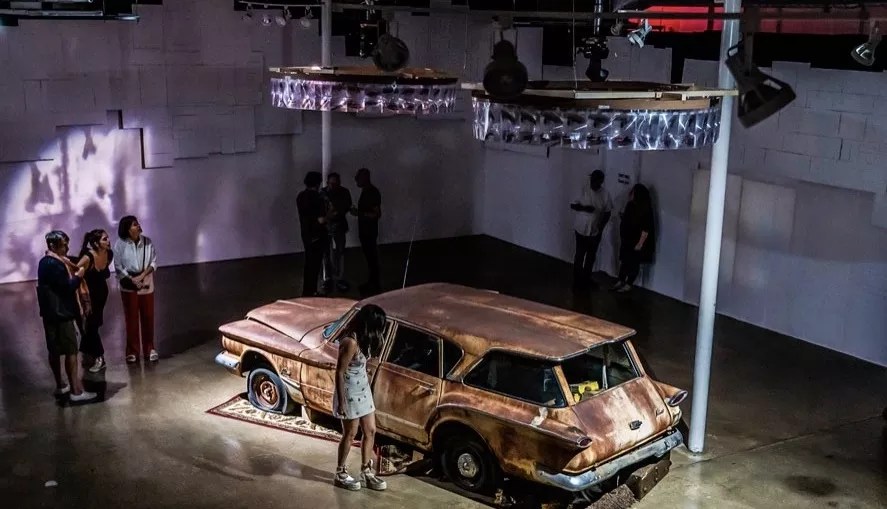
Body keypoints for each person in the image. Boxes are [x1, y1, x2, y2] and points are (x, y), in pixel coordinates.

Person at [36, 230, 97, 402]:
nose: (67, 248)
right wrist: (78, 276)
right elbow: (67, 288)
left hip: (49, 314)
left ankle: (61, 385)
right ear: (53, 246)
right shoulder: (56, 265)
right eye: (64, 245)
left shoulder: (44, 262)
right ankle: (76, 392)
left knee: (54, 351)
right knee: (71, 351)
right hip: (62, 313)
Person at [333, 304, 387, 492]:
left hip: (363, 390)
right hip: (349, 392)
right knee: (350, 433)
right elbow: (339, 372)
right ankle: (340, 472)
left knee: (370, 430)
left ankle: (366, 471)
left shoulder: (365, 339)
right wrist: (341, 401)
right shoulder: (351, 342)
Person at [113, 216, 158, 363]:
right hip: (129, 284)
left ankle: (149, 348)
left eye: (137, 223)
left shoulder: (147, 242)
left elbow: (153, 261)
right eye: (134, 224)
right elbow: (118, 266)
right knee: (131, 318)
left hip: (146, 282)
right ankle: (132, 350)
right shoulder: (120, 244)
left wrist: (143, 275)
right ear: (127, 228)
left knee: (148, 317)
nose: (138, 226)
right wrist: (132, 280)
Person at [75, 229, 113, 373]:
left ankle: (97, 356)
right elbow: (76, 273)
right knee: (92, 324)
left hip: (102, 294)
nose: (108, 241)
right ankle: (95, 353)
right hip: (89, 296)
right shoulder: (87, 258)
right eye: (104, 239)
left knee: (92, 324)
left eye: (107, 238)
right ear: (96, 243)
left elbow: (105, 272)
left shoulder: (109, 253)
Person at [570, 170, 613, 290]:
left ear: (601, 182)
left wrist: (601, 227)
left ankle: (586, 278)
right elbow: (573, 205)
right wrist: (585, 208)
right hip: (581, 228)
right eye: (592, 181)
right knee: (579, 255)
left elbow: (608, 211)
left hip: (594, 231)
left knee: (590, 256)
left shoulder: (605, 194)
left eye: (596, 181)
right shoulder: (583, 189)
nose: (593, 183)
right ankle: (577, 279)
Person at [612, 184, 655, 293]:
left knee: (633, 263)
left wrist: (640, 243)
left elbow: (646, 228)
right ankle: (621, 280)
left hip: (636, 241)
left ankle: (628, 283)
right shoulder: (630, 205)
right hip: (627, 239)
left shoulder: (645, 209)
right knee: (625, 261)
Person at [296, 171, 328, 297]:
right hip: (318, 235)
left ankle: (307, 291)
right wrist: (330, 214)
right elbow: (321, 220)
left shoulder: (300, 196)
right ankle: (312, 291)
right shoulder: (318, 198)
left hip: (306, 233)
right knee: (315, 265)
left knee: (309, 263)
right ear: (318, 183)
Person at [351, 168, 382, 296]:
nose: (356, 180)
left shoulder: (372, 192)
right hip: (365, 231)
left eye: (358, 177)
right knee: (370, 258)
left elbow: (376, 214)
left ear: (365, 178)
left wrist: (359, 213)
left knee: (372, 258)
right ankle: (372, 283)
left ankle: (375, 285)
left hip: (369, 231)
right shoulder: (367, 191)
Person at [321, 172, 353, 293]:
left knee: (340, 252)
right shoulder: (323, 193)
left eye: (336, 183)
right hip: (326, 228)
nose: (333, 186)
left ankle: (340, 278)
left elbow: (346, 206)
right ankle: (328, 279)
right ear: (328, 182)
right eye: (331, 183)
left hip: (339, 226)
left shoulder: (344, 192)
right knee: (326, 254)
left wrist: (336, 212)